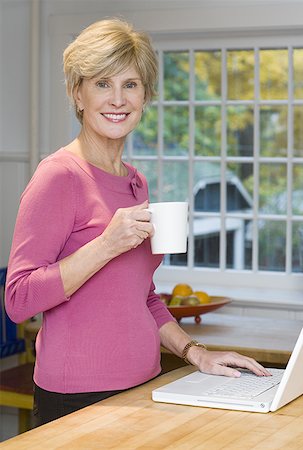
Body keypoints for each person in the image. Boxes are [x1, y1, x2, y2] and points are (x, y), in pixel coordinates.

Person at [5, 18, 270, 427]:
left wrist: (196, 353)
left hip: (145, 386)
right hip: (76, 399)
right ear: (77, 94)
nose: (118, 99)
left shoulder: (135, 182)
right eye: (101, 83)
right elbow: (19, 300)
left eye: (130, 84)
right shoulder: (58, 176)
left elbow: (142, 297)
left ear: (146, 96)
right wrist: (106, 244)